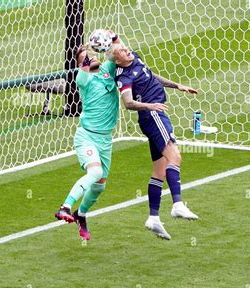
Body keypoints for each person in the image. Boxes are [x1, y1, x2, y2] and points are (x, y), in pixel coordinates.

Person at [111, 43, 198, 240]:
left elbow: (151, 75)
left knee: (159, 170)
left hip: (154, 116)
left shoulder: (135, 58)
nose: (127, 50)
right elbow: (128, 103)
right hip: (153, 116)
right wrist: (151, 106)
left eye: (125, 47)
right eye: (122, 51)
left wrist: (177, 86)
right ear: (117, 61)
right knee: (175, 156)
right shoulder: (124, 77)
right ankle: (177, 204)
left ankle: (153, 218)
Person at [54, 32, 122, 240]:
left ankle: (81, 214)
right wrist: (84, 54)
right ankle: (65, 206)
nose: (90, 58)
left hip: (105, 140)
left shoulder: (107, 70)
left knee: (100, 186)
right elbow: (83, 67)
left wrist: (114, 40)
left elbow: (120, 55)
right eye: (85, 57)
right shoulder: (83, 78)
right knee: (94, 172)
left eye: (92, 55)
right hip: (87, 137)